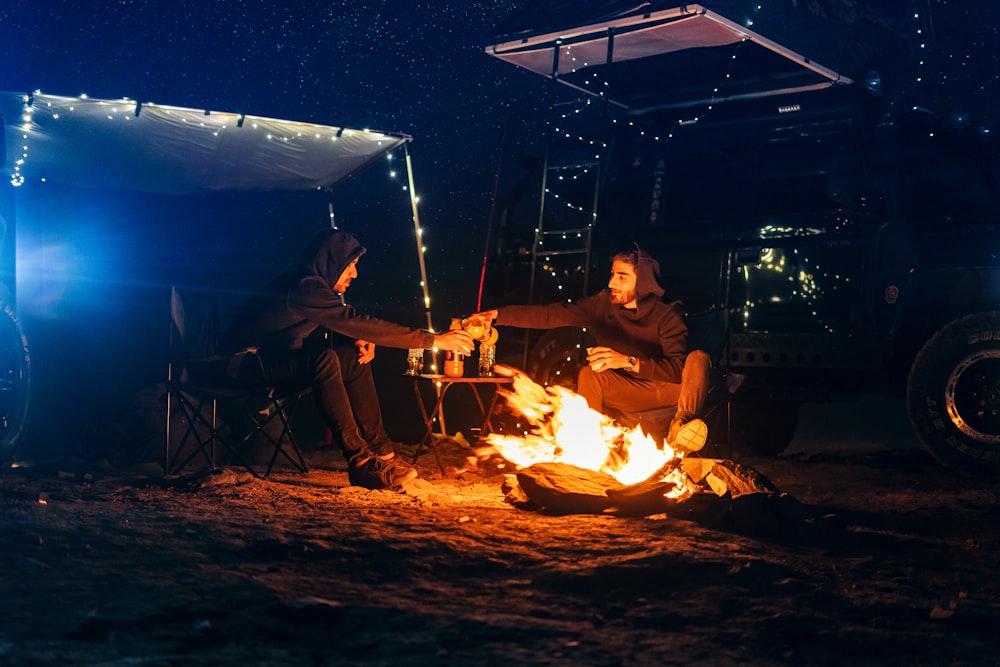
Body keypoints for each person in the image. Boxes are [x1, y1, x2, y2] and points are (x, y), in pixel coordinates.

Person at [222, 228, 473, 490]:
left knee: (353, 358)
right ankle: (361, 463)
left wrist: (356, 337)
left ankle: (382, 453)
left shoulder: (311, 285)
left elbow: (343, 321)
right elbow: (355, 321)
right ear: (331, 262)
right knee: (324, 359)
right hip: (239, 369)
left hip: (272, 364)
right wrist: (433, 340)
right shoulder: (304, 286)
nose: (355, 273)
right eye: (351, 265)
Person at [473, 245, 712, 452]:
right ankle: (587, 446)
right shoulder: (601, 304)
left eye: (622, 277)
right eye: (612, 274)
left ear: (643, 282)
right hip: (629, 391)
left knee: (699, 359)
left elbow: (676, 370)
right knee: (589, 374)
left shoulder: (667, 314)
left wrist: (627, 361)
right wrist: (498, 315)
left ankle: (682, 430)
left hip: (669, 389)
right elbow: (550, 314)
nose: (612, 283)